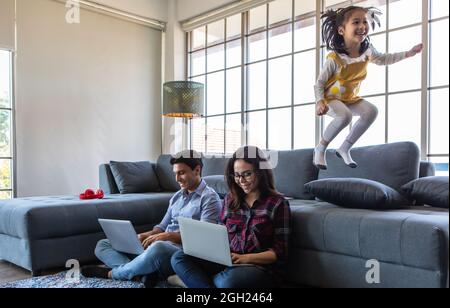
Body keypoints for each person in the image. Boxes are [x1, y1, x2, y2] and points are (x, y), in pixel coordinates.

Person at [81, 150, 222, 287]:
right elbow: (162, 226)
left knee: (158, 248)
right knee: (103, 244)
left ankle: (114, 274)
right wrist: (144, 235)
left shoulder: (210, 198)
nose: (177, 179)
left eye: (181, 173)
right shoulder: (177, 196)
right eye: (175, 174)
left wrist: (169, 236)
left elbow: (204, 239)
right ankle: (141, 273)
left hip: (178, 253)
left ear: (197, 170)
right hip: (159, 247)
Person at [313, 6, 423, 170]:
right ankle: (320, 148)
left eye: (365, 21)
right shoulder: (335, 59)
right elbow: (319, 83)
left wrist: (408, 53)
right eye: (356, 22)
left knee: (371, 111)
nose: (362, 26)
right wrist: (320, 101)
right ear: (342, 30)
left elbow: (385, 59)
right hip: (330, 99)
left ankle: (345, 148)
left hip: (350, 99)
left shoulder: (368, 51)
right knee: (345, 116)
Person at [171, 146, 291, 288]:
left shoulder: (278, 203)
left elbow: (280, 252)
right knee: (179, 257)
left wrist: (245, 258)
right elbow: (221, 236)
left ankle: (193, 282)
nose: (241, 180)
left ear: (260, 172)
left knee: (226, 283)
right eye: (237, 175)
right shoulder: (230, 200)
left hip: (258, 267)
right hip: (228, 260)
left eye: (247, 174)